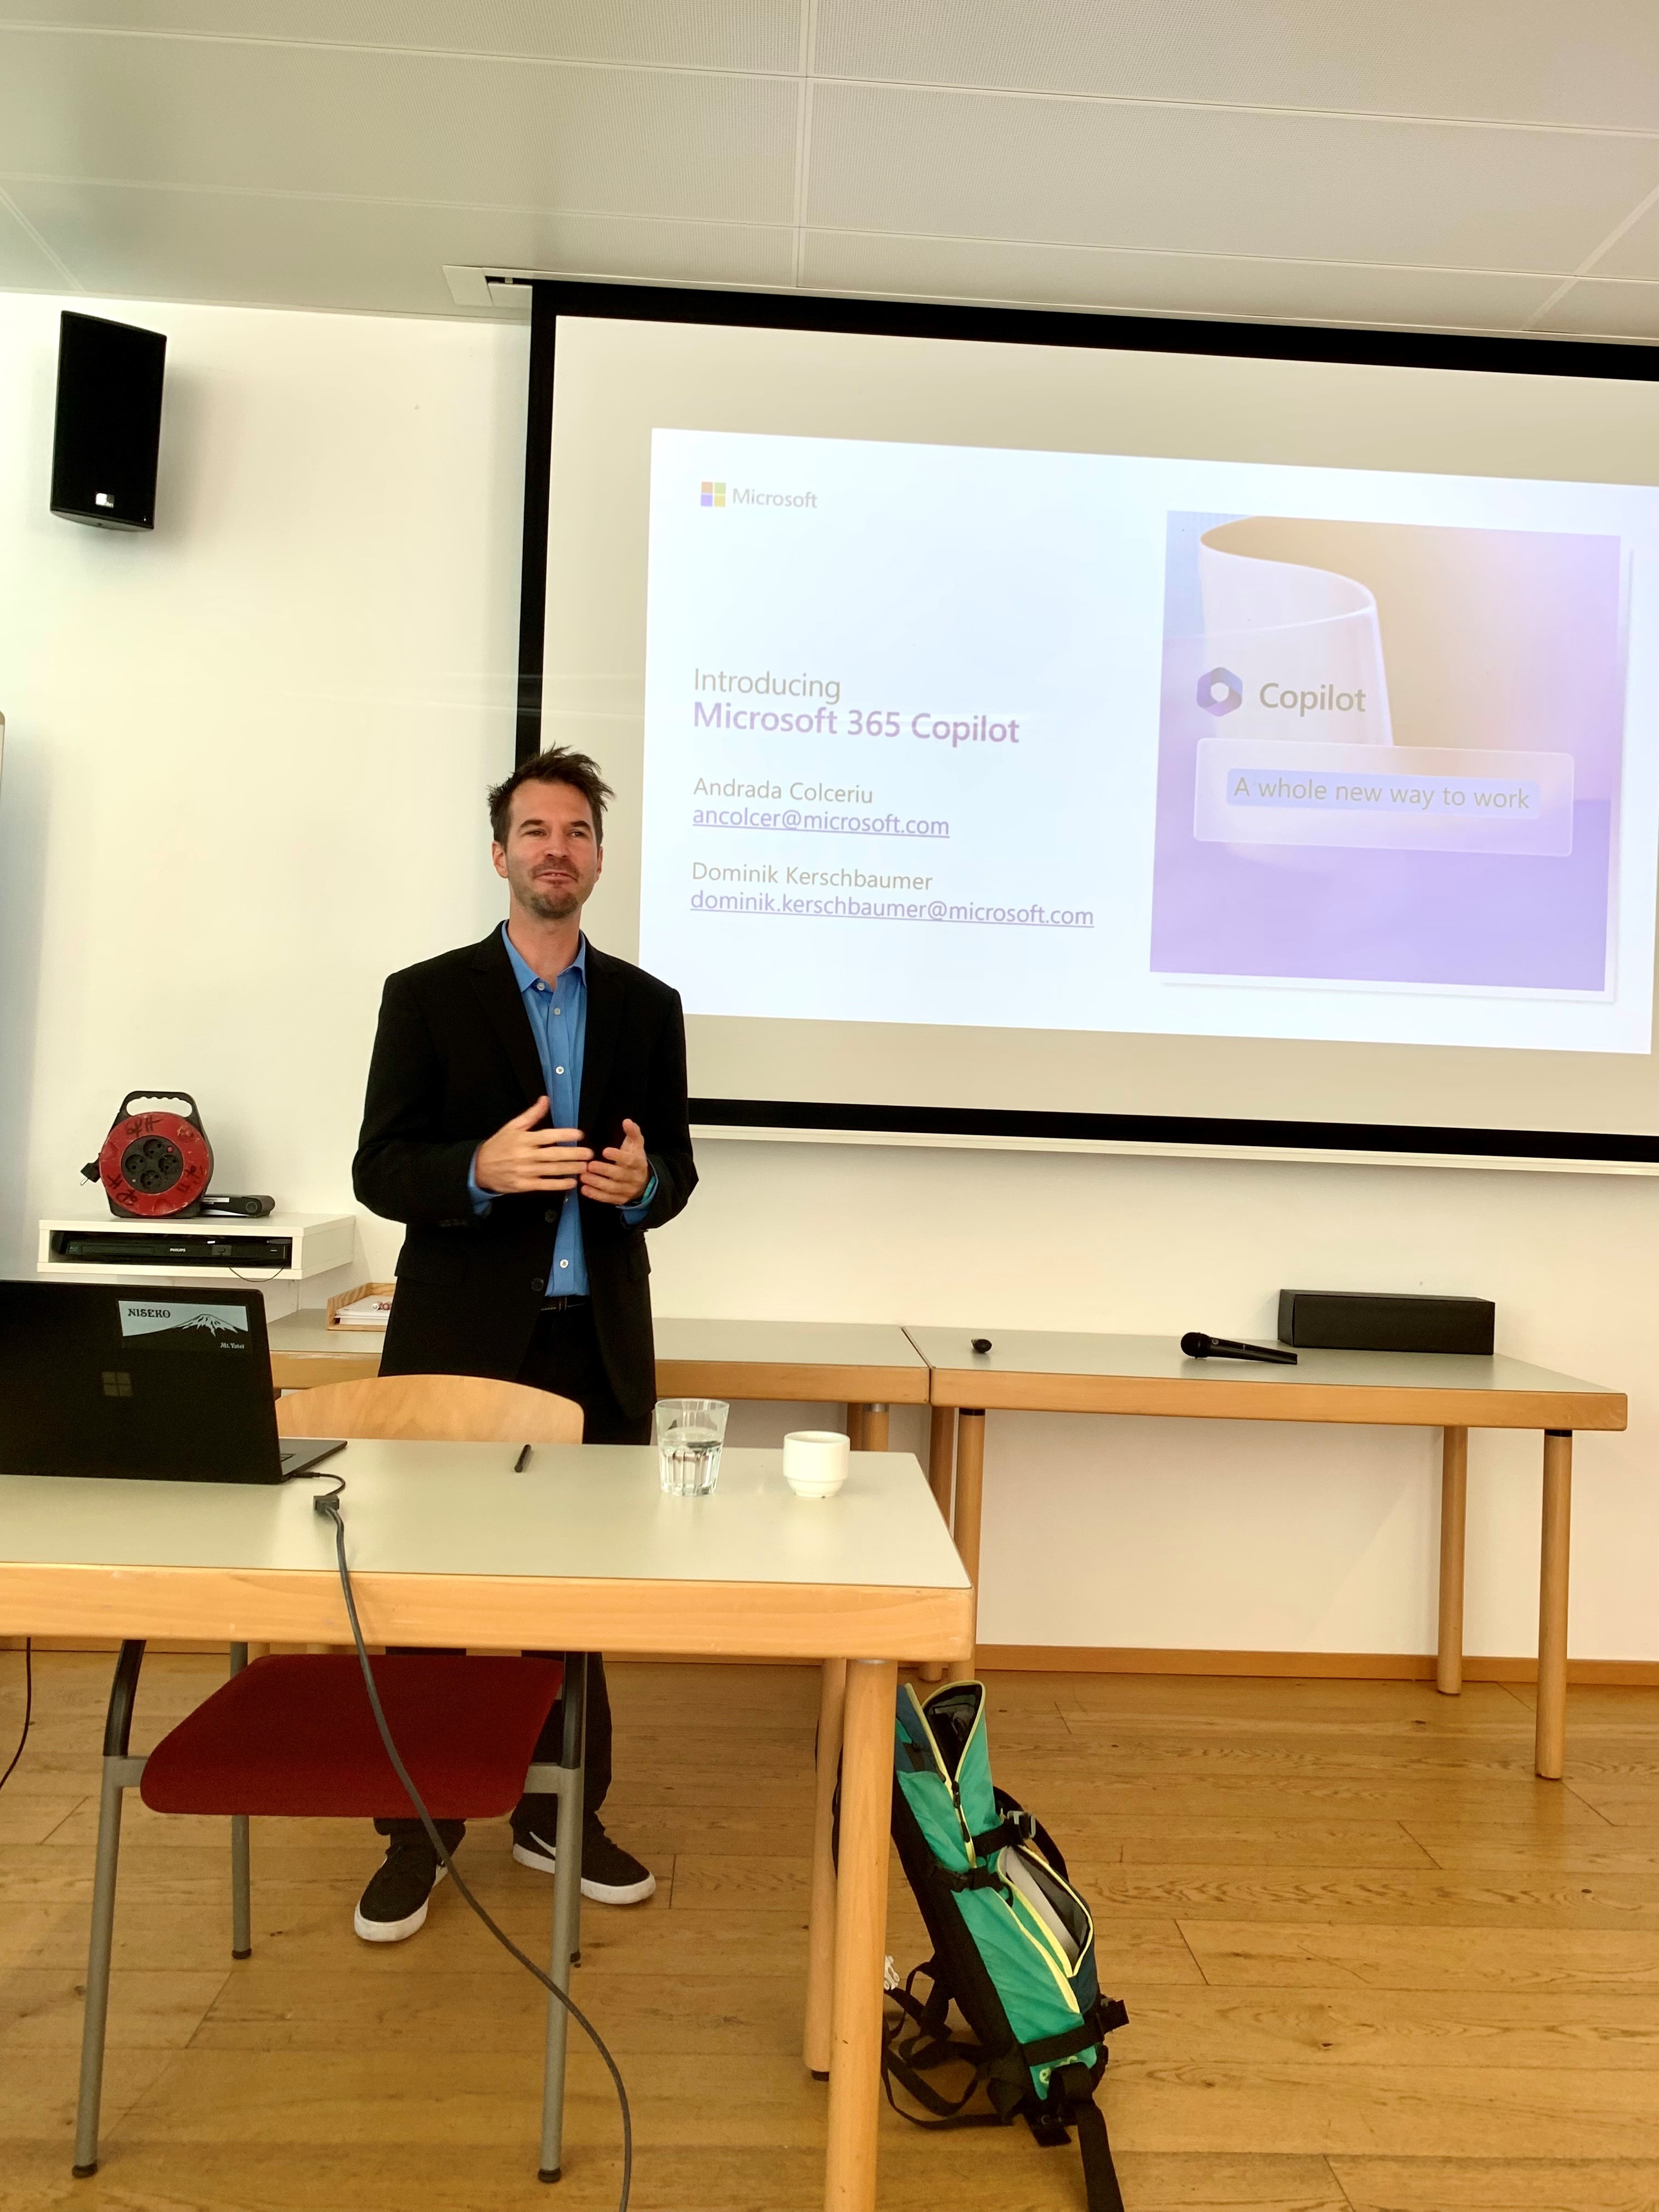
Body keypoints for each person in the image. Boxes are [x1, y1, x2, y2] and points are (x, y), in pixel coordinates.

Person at [349, 746, 696, 1941]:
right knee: (426, 1598)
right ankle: (420, 1825)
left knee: (576, 1603)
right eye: (537, 830)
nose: (559, 848)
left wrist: (646, 1188)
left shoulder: (649, 1007)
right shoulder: (425, 996)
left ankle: (560, 1814)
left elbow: (676, 1169)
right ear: (500, 853)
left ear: (599, 858)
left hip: (593, 1347)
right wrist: (477, 1171)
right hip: (456, 1352)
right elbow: (381, 1169)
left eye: (578, 831)